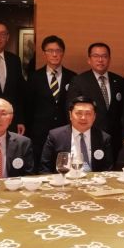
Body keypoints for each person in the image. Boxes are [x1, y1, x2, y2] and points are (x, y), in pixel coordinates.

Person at [25, 35, 76, 169]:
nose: (54, 54)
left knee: (64, 167)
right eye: (50, 51)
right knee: (41, 168)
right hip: (39, 132)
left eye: (58, 50)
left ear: (63, 53)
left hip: (65, 131)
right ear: (44, 53)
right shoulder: (34, 77)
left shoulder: (73, 77)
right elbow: (28, 106)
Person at [67, 42, 124, 159]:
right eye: (96, 56)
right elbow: (72, 109)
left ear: (109, 59)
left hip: (116, 138)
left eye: (104, 56)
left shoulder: (120, 81)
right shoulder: (79, 81)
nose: (100, 60)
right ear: (89, 60)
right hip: (91, 136)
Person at [40, 96, 113, 173]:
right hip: (64, 179)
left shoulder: (104, 138)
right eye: (79, 113)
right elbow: (44, 168)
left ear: (94, 116)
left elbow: (107, 170)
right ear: (70, 115)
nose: (83, 117)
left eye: (88, 114)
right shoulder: (55, 136)